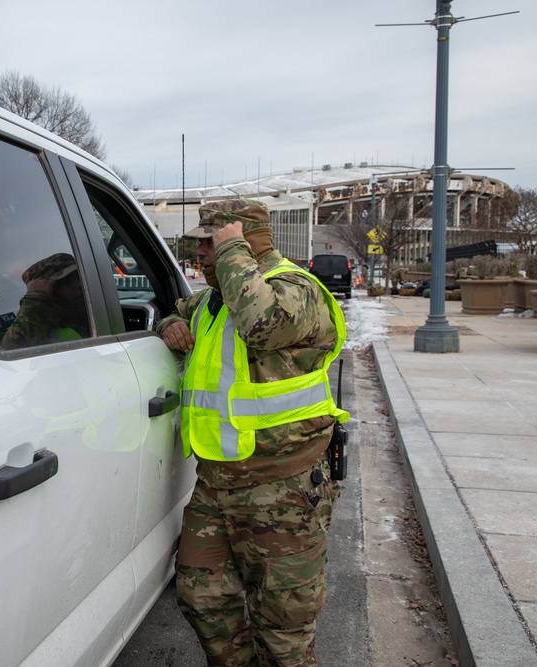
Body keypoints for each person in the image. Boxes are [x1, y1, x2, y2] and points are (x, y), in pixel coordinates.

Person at [156, 199, 348, 667]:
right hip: (216, 484)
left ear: (247, 242)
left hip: (284, 488)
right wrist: (170, 324)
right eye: (200, 243)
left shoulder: (297, 291)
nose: (201, 253)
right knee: (202, 601)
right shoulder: (213, 300)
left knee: (283, 627)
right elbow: (176, 309)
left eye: (210, 242)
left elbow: (263, 326)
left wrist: (233, 250)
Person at [0, 252, 90, 351]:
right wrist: (36, 297)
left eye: (79, 278)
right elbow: (11, 351)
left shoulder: (90, 309)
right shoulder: (27, 330)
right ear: (51, 290)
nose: (79, 284)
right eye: (68, 282)